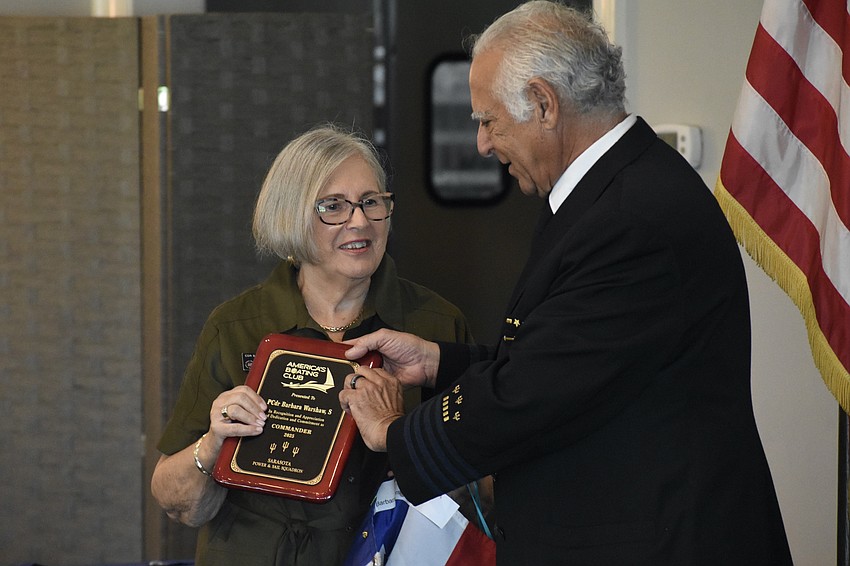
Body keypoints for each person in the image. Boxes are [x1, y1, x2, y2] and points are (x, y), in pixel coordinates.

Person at [338, 2, 794, 564]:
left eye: (488, 120)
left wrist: (394, 433)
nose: (482, 143)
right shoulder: (617, 189)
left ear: (544, 103)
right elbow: (570, 362)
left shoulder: (628, 218)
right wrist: (439, 364)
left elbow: (532, 395)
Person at [150, 125, 474, 565]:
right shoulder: (236, 326)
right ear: (292, 216)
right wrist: (213, 444)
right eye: (333, 207)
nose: (359, 221)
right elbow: (176, 502)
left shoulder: (434, 325)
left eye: (371, 202)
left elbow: (484, 488)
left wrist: (403, 434)